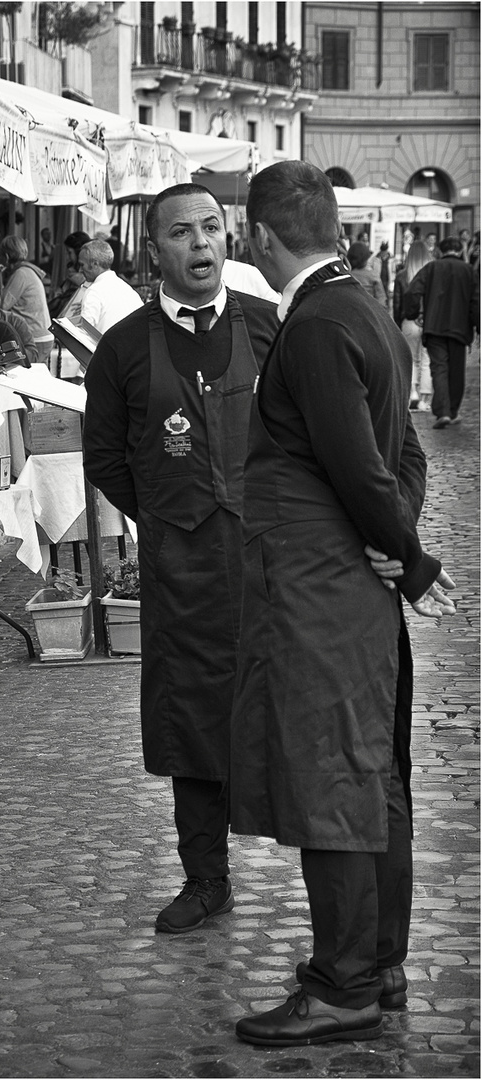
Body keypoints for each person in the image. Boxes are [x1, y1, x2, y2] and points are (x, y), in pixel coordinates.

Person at [229, 161, 455, 1048]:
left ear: (260, 238)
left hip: (321, 588)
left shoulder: (320, 322)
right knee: (370, 776)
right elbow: (404, 456)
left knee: (334, 779)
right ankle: (379, 962)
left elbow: (361, 465)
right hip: (345, 582)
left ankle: (343, 983)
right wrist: (394, 536)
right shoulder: (362, 305)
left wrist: (407, 553)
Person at [83, 183, 279, 935]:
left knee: (284, 714)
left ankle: (322, 870)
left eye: (211, 229)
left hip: (268, 567)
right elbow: (105, 455)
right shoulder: (125, 348)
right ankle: (206, 879)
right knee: (192, 722)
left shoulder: (269, 329)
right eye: (181, 234)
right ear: (154, 250)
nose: (200, 245)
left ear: (228, 239)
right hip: (182, 572)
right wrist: (166, 515)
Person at [404, 236, 480, 429]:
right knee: (456, 371)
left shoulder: (431, 268)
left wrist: (414, 313)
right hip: (459, 329)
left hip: (434, 326)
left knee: (439, 368)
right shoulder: (469, 271)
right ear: (458, 250)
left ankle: (443, 411)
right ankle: (452, 411)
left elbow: (413, 291)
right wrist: (477, 326)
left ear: (441, 250)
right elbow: (476, 301)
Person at [0, 236, 54, 367]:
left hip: (35, 337)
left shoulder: (21, 274)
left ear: (6, 256)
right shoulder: (27, 271)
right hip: (42, 335)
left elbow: (0, 308)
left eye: (0, 256)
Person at [392, 240, 434, 410]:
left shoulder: (403, 275)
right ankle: (425, 399)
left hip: (408, 321)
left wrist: (397, 323)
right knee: (427, 360)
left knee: (410, 359)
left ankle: (412, 394)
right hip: (429, 320)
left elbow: (397, 303)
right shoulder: (433, 273)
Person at [76, 240, 144, 334]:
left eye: (82, 265)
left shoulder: (94, 291)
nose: (80, 270)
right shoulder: (129, 291)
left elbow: (83, 334)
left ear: (95, 264)